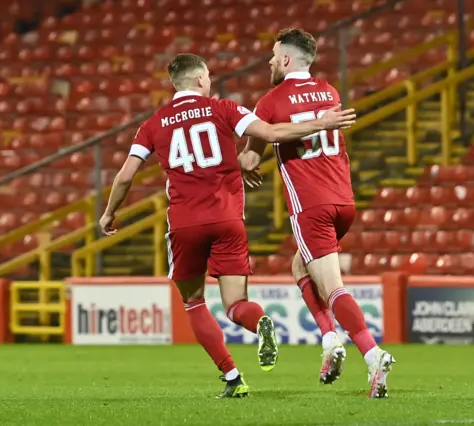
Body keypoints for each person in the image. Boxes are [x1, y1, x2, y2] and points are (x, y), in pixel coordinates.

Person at [98, 53, 357, 398]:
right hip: (229, 221)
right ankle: (259, 321)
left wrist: (109, 213)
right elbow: (271, 132)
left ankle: (233, 377)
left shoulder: (154, 123)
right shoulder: (224, 109)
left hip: (185, 223)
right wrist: (320, 124)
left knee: (193, 302)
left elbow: (127, 174)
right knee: (236, 305)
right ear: (201, 79)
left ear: (175, 83)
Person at [239, 28, 396, 399]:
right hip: (344, 201)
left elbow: (254, 151)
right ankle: (330, 340)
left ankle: (373, 355)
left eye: (275, 56)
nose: (271, 62)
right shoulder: (329, 92)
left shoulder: (271, 101)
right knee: (299, 267)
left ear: (288, 60)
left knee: (332, 286)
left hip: (311, 206)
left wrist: (245, 163)